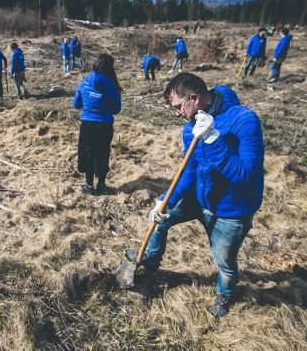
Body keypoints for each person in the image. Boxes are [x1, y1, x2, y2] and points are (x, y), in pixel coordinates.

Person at [125, 72, 264, 318]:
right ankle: (151, 262)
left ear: (195, 98)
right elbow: (189, 171)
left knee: (225, 262)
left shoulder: (245, 120)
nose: (177, 113)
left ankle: (225, 294)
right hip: (200, 198)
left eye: (179, 107)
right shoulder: (191, 129)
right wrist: (164, 200)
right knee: (159, 220)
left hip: (231, 210)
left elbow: (245, 175)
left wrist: (212, 139)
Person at [73, 54, 122, 195]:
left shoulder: (84, 81)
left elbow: (76, 104)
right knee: (102, 153)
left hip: (87, 124)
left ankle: (89, 186)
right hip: (104, 125)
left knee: (88, 153)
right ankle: (101, 184)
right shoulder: (112, 86)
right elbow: (116, 110)